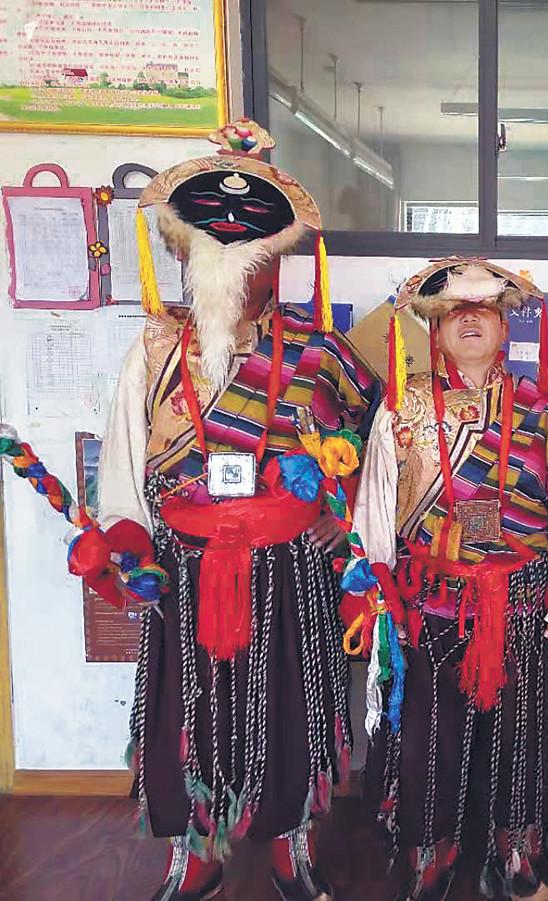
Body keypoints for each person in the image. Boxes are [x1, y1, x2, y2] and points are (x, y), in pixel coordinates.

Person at [85, 119, 380, 901]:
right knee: (191, 712)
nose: (234, 264)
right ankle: (197, 851)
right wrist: (126, 536)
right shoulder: (156, 348)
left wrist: (345, 521)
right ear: (189, 255)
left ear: (275, 259)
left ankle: (290, 845)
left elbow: (373, 450)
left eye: (250, 250)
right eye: (215, 246)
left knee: (291, 708)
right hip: (184, 568)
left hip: (289, 569)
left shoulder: (322, 353)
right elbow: (125, 452)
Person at [352, 259, 548, 901]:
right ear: (434, 330)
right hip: (428, 603)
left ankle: (517, 846)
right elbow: (375, 506)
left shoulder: (540, 409)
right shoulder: (402, 406)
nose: (469, 320)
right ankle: (428, 848)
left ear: (504, 325)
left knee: (523, 733)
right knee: (427, 737)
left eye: (484, 309)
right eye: (452, 312)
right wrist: (377, 594)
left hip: (521, 603)